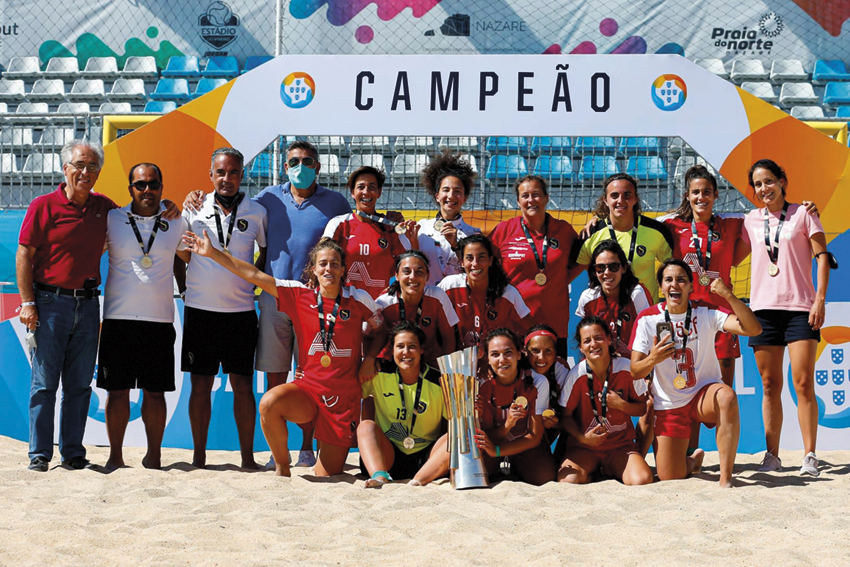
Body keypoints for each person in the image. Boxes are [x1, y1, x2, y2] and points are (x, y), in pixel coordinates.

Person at [187, 140, 351, 468]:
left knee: (311, 378)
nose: (300, 167)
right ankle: (279, 452)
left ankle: (306, 449)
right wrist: (192, 195)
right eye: (293, 161)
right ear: (284, 166)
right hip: (275, 300)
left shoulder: (336, 203)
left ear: (318, 167)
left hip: (314, 303)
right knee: (275, 378)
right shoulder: (267, 199)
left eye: (307, 161)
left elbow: (350, 240)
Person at [17, 140, 178, 472]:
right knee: (45, 384)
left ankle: (73, 452)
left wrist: (168, 203)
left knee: (79, 385)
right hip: (49, 302)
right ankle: (40, 454)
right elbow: (24, 255)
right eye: (79, 165)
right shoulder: (42, 205)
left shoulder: (105, 209)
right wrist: (28, 302)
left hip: (88, 304)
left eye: (92, 166)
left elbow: (142, 211)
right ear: (65, 168)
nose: (85, 172)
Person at [182, 234, 383, 477]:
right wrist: (213, 253)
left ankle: (317, 460)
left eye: (334, 264)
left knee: (326, 476)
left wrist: (370, 358)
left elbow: (381, 330)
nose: (328, 268)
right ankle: (282, 470)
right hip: (308, 391)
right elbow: (254, 275)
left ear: (343, 270)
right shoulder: (299, 295)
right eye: (323, 264)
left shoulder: (359, 299)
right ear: (313, 270)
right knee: (269, 403)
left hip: (342, 399)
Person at [734, 159, 831, 477]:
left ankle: (810, 455)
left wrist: (819, 299)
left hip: (801, 308)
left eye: (769, 181)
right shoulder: (750, 219)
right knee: (769, 384)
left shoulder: (804, 213)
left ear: (782, 181)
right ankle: (772, 456)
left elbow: (822, 258)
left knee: (803, 383)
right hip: (762, 310)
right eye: (758, 184)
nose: (764, 188)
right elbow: (735, 256)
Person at [630, 259, 762, 488]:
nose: (675, 285)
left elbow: (753, 329)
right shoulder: (648, 319)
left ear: (691, 286)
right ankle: (693, 461)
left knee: (727, 396)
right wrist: (653, 359)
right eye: (668, 280)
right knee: (670, 475)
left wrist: (728, 295)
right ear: (661, 287)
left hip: (703, 395)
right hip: (669, 403)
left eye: (681, 280)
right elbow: (635, 371)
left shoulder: (706, 311)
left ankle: (725, 478)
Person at [178, 147, 268, 470]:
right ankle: (198, 458)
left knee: (243, 386)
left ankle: (248, 459)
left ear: (242, 175)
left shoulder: (256, 212)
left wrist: (249, 283)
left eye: (233, 172)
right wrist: (186, 288)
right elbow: (180, 254)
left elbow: (265, 254)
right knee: (200, 385)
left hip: (241, 312)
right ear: (210, 175)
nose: (226, 179)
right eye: (220, 172)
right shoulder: (193, 207)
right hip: (200, 312)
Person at [97, 163, 188, 471]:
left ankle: (154, 455)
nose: (147, 190)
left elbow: (183, 259)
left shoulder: (176, 220)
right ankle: (115, 456)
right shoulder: (112, 219)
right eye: (140, 185)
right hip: (117, 319)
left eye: (153, 184)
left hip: (159, 320)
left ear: (162, 188)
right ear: (130, 188)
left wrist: (187, 289)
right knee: (117, 390)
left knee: (155, 391)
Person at [489, 175, 582, 358]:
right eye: (525, 196)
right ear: (518, 201)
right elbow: (483, 263)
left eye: (536, 194)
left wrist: (560, 281)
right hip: (515, 326)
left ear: (547, 198)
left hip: (554, 325)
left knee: (554, 382)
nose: (531, 200)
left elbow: (580, 261)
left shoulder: (564, 230)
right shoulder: (504, 230)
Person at [557, 316, 653, 486]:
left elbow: (642, 409)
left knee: (642, 480)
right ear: (581, 347)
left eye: (599, 337)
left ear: (609, 339)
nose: (593, 344)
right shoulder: (576, 375)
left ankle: (611, 468)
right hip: (585, 448)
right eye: (587, 341)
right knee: (567, 481)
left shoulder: (626, 368)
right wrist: (582, 438)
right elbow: (565, 417)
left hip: (619, 446)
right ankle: (592, 472)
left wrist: (621, 405)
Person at [358, 321, 450, 487]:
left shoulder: (439, 382)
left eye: (412, 346)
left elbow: (455, 423)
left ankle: (418, 481)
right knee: (365, 426)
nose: (406, 352)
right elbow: (347, 388)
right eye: (400, 346)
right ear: (392, 350)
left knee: (457, 436)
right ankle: (380, 478)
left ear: (421, 349)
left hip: (427, 458)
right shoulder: (378, 373)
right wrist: (368, 360)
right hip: (388, 457)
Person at [473, 328, 555, 485]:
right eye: (495, 354)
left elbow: (534, 437)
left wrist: (497, 451)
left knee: (545, 477)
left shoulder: (537, 381)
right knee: (478, 476)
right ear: (488, 359)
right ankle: (500, 467)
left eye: (508, 352)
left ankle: (517, 466)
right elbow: (489, 436)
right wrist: (508, 425)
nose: (502, 360)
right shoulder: (482, 384)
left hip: (522, 445)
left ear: (519, 354)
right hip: (493, 444)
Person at [323, 166, 418, 300]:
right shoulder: (339, 224)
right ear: (352, 192)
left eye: (372, 187)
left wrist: (413, 240)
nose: (366, 192)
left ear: (379, 192)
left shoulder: (391, 227)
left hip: (381, 305)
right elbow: (320, 258)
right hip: (346, 305)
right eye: (360, 187)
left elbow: (413, 264)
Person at [438, 234, 533, 368]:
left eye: (481, 257)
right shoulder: (448, 286)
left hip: (494, 369)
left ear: (490, 260)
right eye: (469, 258)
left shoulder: (508, 293)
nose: (475, 263)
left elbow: (532, 332)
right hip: (455, 368)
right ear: (461, 262)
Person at [574, 173, 673, 300]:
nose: (620, 200)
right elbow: (574, 271)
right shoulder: (591, 233)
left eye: (627, 195)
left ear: (635, 198)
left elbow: (672, 268)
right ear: (605, 200)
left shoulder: (656, 231)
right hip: (607, 314)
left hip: (644, 315)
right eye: (614, 195)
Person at [374, 250, 458, 367]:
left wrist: (446, 368)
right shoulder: (383, 303)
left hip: (431, 365)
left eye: (419, 272)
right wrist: (370, 360)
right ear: (397, 276)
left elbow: (448, 337)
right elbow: (369, 335)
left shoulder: (438, 296)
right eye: (406, 272)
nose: (412, 277)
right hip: (393, 364)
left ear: (427, 276)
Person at [575, 240, 653, 358]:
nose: (607, 273)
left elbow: (650, 335)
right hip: (600, 363)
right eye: (600, 267)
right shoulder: (588, 298)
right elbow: (584, 340)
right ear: (594, 271)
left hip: (632, 365)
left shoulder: (636, 294)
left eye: (613, 267)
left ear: (624, 268)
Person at [417, 151, 481, 285]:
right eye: (445, 190)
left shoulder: (473, 234)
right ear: (437, 196)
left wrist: (456, 245)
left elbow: (476, 273)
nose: (451, 196)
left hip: (459, 300)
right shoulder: (421, 228)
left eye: (457, 191)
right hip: (427, 299)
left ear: (464, 198)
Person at [524, 325, 569, 455]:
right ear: (525, 352)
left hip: (541, 435)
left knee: (546, 475)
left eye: (548, 350)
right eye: (535, 351)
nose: (541, 357)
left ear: (556, 353)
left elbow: (573, 414)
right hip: (517, 431)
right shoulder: (516, 366)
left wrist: (556, 423)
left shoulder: (560, 369)